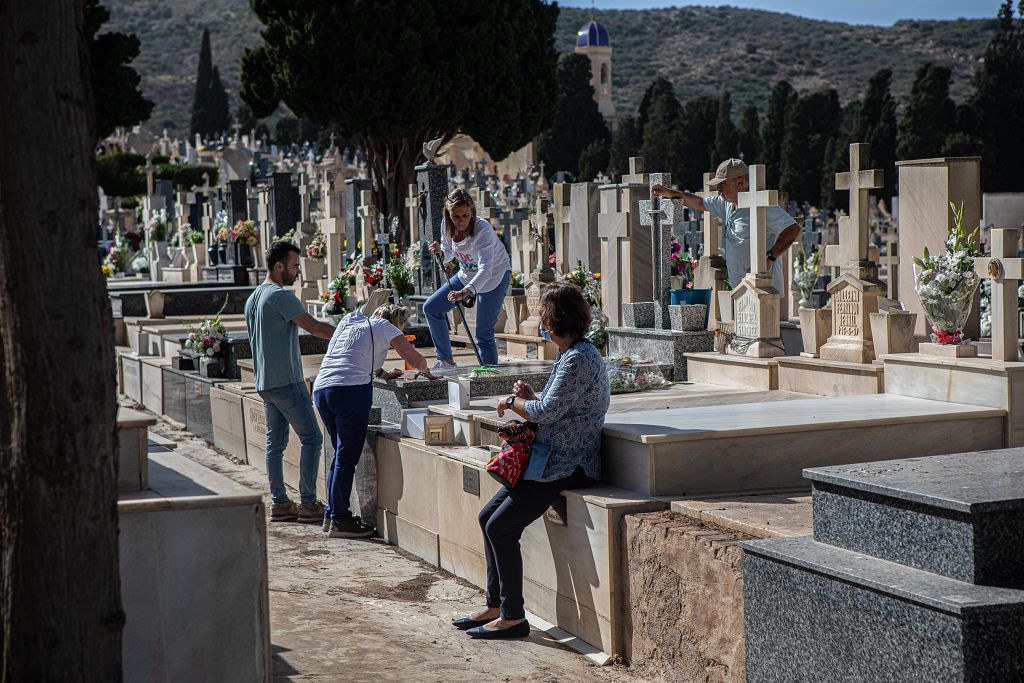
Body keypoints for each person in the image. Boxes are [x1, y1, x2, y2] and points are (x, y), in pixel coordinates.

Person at [452, 284, 610, 640]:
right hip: (551, 458)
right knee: (487, 518)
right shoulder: (572, 354)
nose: (540, 323)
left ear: (555, 320)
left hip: (568, 462)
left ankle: (513, 617)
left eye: (542, 317)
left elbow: (548, 412)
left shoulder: (579, 358)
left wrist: (513, 401)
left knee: (501, 527)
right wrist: (530, 398)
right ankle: (496, 605)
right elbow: (553, 409)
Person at [312, 304, 436, 538]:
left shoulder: (351, 320)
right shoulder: (385, 326)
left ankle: (332, 514)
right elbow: (413, 356)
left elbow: (355, 353)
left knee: (339, 454)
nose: (401, 331)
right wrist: (427, 371)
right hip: (349, 391)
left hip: (322, 389)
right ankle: (340, 519)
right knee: (347, 456)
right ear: (395, 322)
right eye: (402, 327)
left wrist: (383, 374)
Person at [245, 241, 337, 524]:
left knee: (276, 443)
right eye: (295, 266)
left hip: (265, 382)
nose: (299, 271)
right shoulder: (280, 296)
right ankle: (308, 503)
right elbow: (316, 327)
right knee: (312, 438)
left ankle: (280, 503)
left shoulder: (254, 297)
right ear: (279, 266)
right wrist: (350, 332)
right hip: (287, 381)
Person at [652, 158, 800, 295]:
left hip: (765, 290)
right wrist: (669, 192)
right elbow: (698, 202)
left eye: (722, 183)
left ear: (740, 182)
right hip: (740, 289)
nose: (718, 188)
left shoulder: (762, 206)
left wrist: (770, 258)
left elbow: (793, 229)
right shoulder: (726, 204)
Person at [425, 189, 512, 369]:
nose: (461, 221)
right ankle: (446, 361)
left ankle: (489, 374)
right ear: (449, 215)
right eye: (456, 216)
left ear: (471, 212)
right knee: (431, 308)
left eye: (465, 215)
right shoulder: (446, 225)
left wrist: (464, 293)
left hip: (495, 276)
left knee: (483, 333)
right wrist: (441, 253)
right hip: (466, 275)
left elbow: (486, 269)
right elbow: (449, 252)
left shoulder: (483, 230)